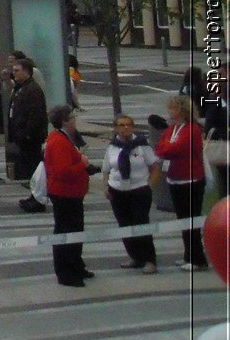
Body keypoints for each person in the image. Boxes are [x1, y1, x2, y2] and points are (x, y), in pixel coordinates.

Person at [152, 95, 209, 270]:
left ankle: (197, 258)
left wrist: (167, 148)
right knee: (182, 220)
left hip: (190, 179)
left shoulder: (192, 129)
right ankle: (188, 255)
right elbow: (161, 147)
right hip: (174, 178)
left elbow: (176, 148)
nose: (170, 112)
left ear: (182, 110)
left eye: (173, 109)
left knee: (191, 220)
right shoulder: (172, 129)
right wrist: (166, 148)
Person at [43, 105, 95, 287]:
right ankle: (66, 273)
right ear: (65, 121)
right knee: (66, 233)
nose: (75, 120)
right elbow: (63, 171)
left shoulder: (64, 138)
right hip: (64, 193)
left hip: (72, 192)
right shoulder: (58, 141)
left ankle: (76, 265)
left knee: (75, 231)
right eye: (72, 117)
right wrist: (82, 164)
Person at [103, 114, 160, 274]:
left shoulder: (142, 145)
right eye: (121, 125)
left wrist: (149, 186)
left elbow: (155, 167)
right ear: (116, 128)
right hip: (117, 191)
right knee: (124, 224)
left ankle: (149, 259)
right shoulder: (112, 146)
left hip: (139, 190)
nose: (125, 128)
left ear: (133, 127)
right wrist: (106, 186)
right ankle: (136, 257)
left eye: (128, 125)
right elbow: (106, 169)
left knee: (140, 223)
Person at [6, 59, 48, 181]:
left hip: (30, 137)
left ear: (27, 71)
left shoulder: (32, 89)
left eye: (17, 70)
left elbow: (35, 114)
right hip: (22, 135)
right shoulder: (21, 88)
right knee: (26, 165)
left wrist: (27, 134)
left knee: (32, 165)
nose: (14, 73)